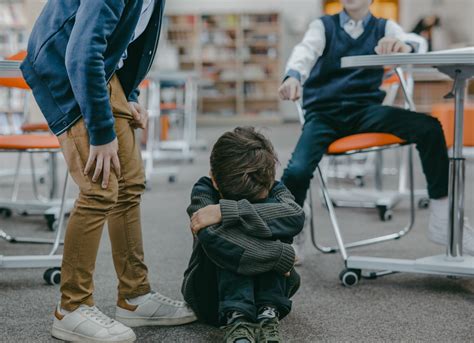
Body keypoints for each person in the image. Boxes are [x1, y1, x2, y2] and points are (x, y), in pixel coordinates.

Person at [21, 1, 196, 342]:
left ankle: (134, 296)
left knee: (130, 183)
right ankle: (71, 308)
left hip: (100, 70)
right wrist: (101, 133)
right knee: (100, 187)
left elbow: (127, 41)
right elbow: (81, 52)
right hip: (64, 68)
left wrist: (127, 95)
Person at [278, 0, 473, 261]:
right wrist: (293, 75)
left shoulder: (385, 27)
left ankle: (442, 217)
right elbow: (304, 52)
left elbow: (416, 41)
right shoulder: (323, 26)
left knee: (429, 127)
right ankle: (293, 231)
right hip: (325, 114)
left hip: (365, 111)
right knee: (297, 170)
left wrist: (405, 46)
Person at [182, 127, 305, 343]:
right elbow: (214, 239)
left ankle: (268, 312)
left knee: (273, 218)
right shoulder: (203, 191)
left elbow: (295, 215)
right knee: (226, 238)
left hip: (272, 299)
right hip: (212, 299)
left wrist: (228, 211)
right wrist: (281, 255)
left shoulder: (273, 187)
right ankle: (237, 317)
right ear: (213, 181)